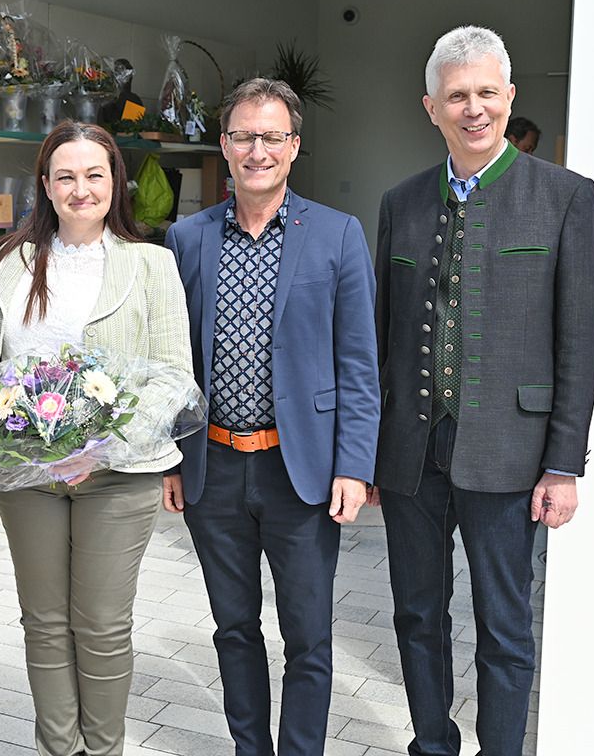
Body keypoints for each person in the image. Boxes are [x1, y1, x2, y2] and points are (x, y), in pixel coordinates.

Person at [370, 26, 594, 756]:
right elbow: (381, 336)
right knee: (417, 615)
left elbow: (579, 342)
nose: (473, 109)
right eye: (456, 96)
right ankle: (432, 744)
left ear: (509, 96)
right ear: (431, 107)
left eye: (485, 93)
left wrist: (563, 464)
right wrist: (368, 453)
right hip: (411, 452)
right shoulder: (402, 202)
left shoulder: (565, 197)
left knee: (504, 626)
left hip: (512, 452)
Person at [162, 78, 379, 756]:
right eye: (244, 136)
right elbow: (172, 362)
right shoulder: (187, 238)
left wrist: (354, 466)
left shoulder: (338, 235)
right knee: (234, 629)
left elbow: (359, 364)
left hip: (300, 470)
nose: (258, 150)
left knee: (308, 636)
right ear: (225, 146)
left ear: (294, 146)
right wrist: (172, 458)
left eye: (272, 136)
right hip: (214, 468)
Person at [0, 120, 193, 756]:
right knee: (43, 624)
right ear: (45, 185)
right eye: (65, 176)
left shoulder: (151, 264)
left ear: (115, 182)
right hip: (28, 476)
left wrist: (101, 446)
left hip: (119, 478)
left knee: (101, 626)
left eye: (94, 175)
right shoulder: (9, 264)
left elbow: (173, 375)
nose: (80, 189)